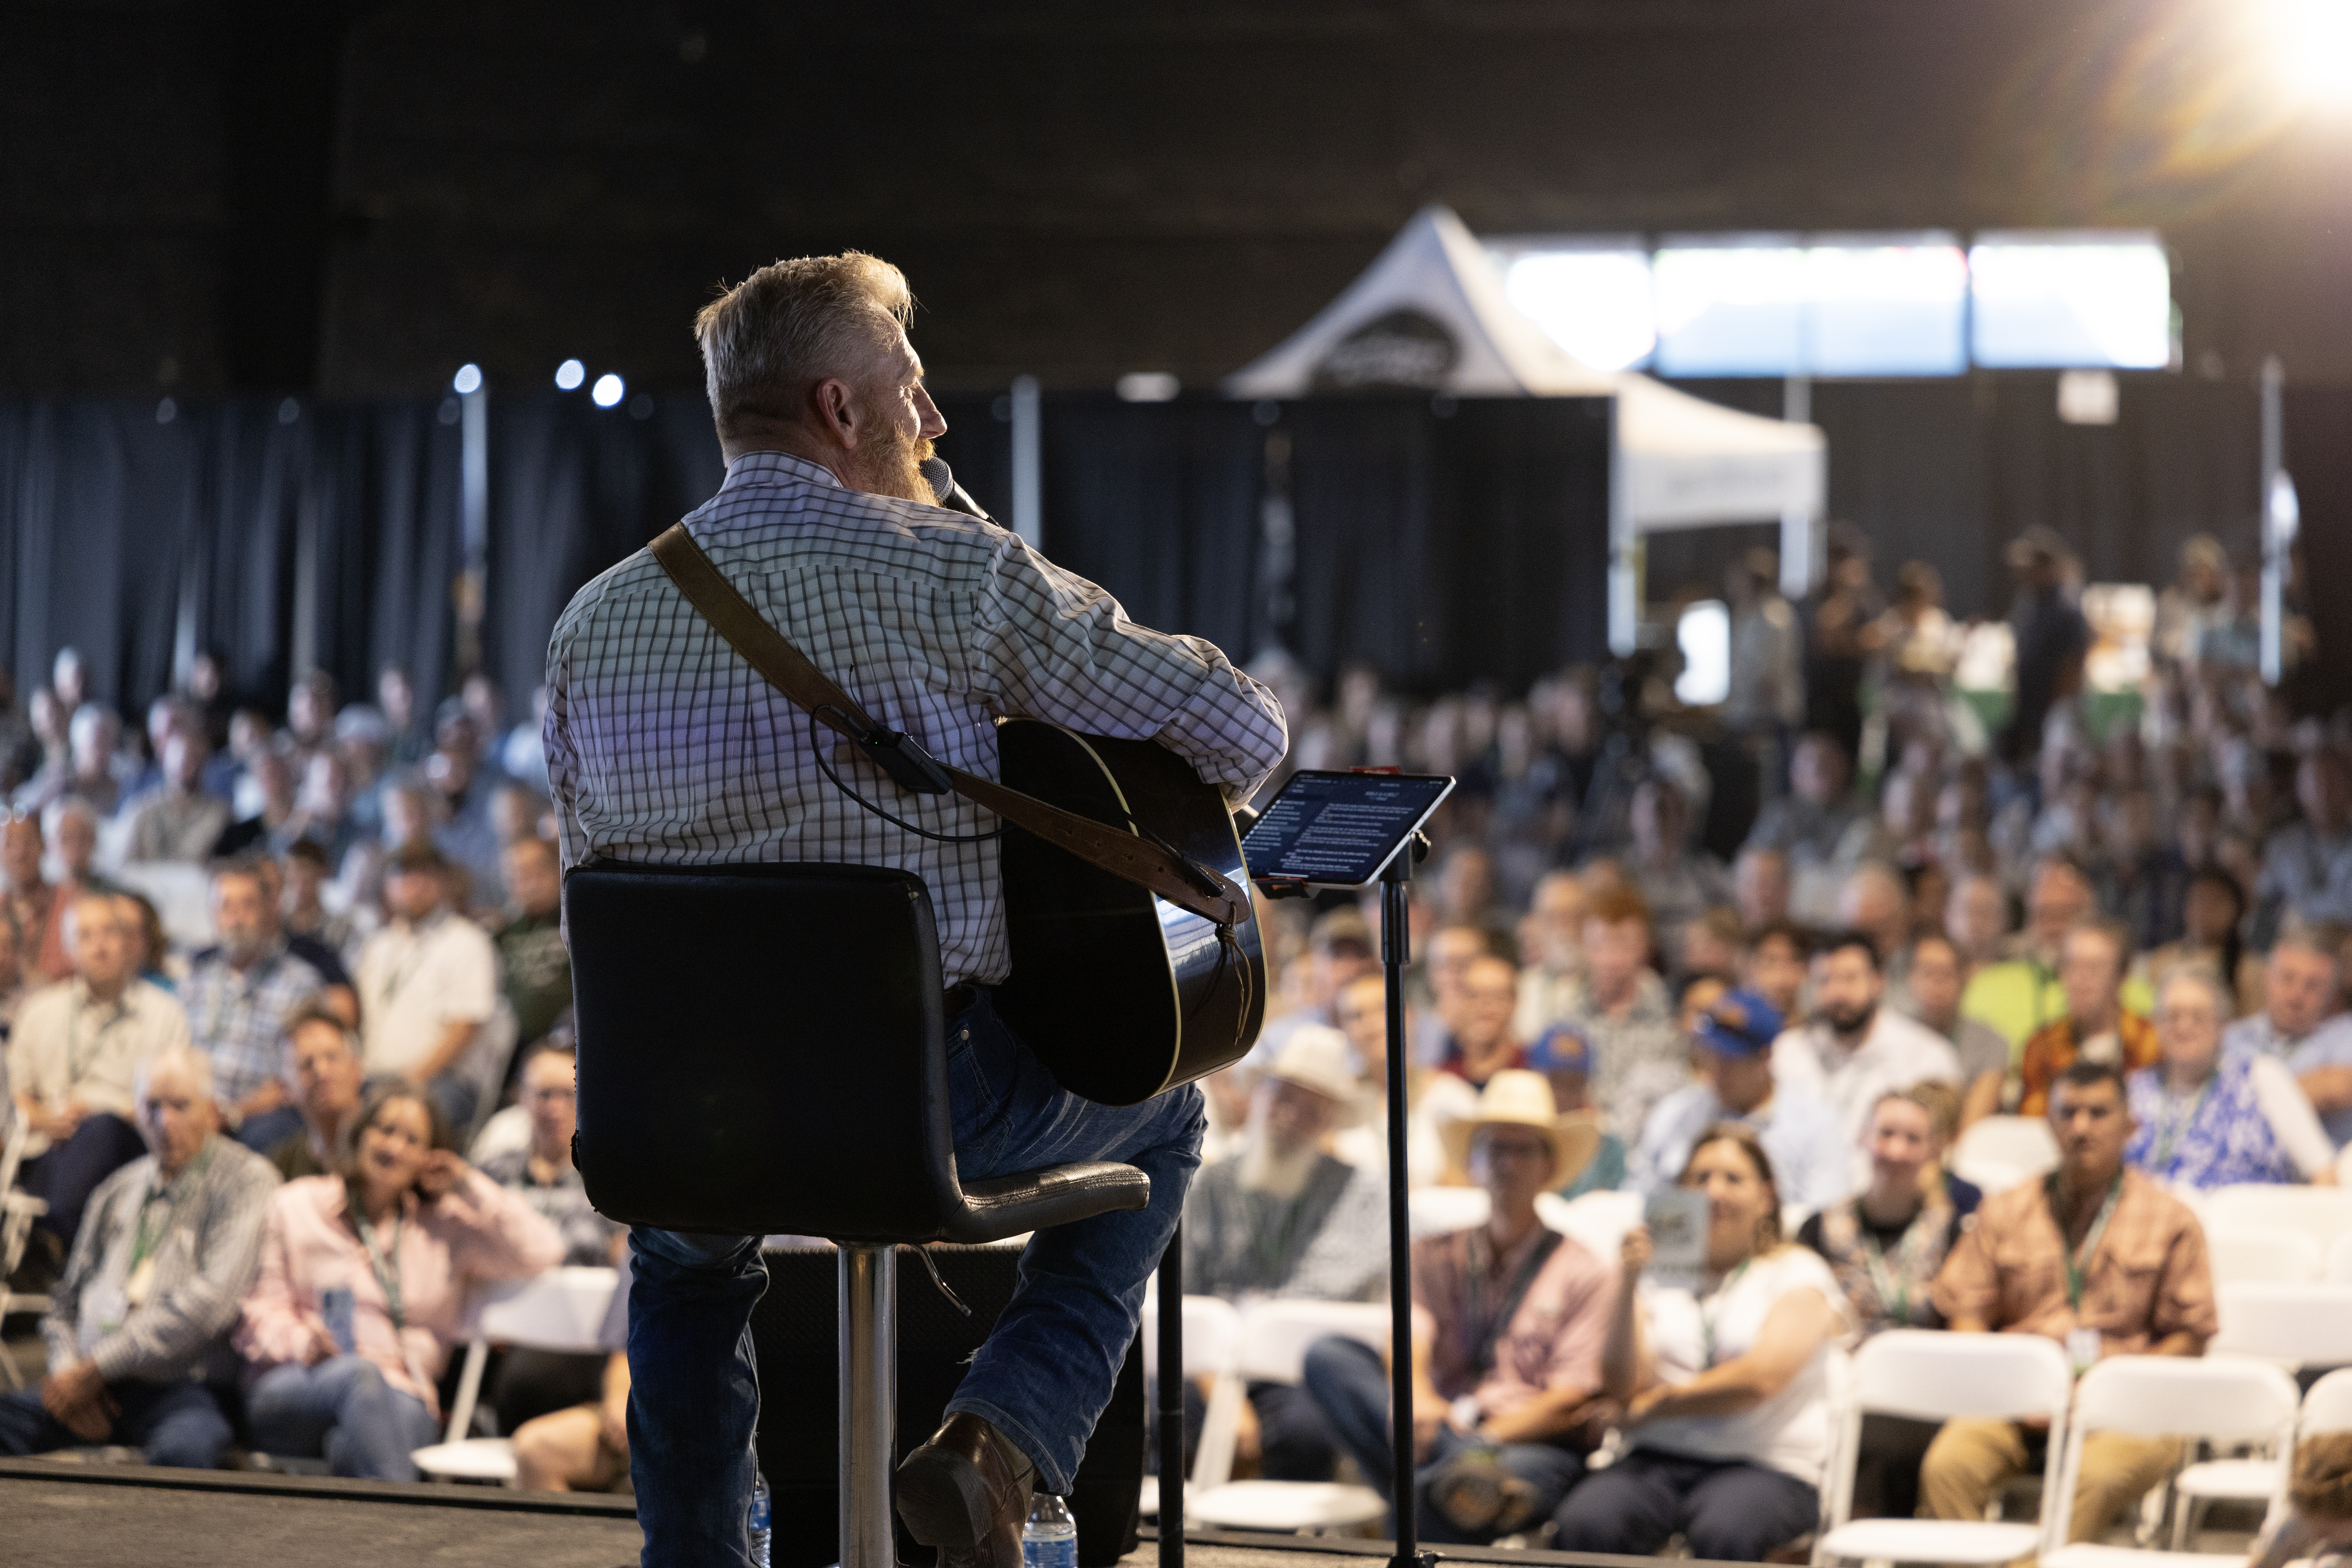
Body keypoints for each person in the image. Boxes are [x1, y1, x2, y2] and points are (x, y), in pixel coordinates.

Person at [542, 252, 1288, 1568]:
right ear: (841, 408)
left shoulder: (592, 622)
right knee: (1171, 1114)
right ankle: (999, 1441)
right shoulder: (944, 570)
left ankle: (700, 1555)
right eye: (914, 388)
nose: (934, 421)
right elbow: (1239, 726)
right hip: (913, 1110)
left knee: (685, 1259)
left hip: (681, 1114)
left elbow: (594, 891)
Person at [1301, 1071, 1610, 1544]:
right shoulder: (1431, 1252)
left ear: (1549, 1167)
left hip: (1525, 1439)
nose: (1507, 1163)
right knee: (1329, 1357)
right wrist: (1420, 1394)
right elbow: (1410, 1332)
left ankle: (1455, 1478)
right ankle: (1465, 1479)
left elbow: (1569, 1399)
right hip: (1435, 1420)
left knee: (1431, 1497)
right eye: (1494, 1149)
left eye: (1523, 1150)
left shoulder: (1584, 1268)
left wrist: (1483, 1442)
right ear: (1473, 1162)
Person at [1922, 1060, 2216, 1545]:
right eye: (2068, 1112)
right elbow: (1967, 1313)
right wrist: (2006, 1385)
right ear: (2049, 1123)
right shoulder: (2006, 1208)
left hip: (2127, 1409)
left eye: (2098, 1113)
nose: (2081, 1127)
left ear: (2130, 1126)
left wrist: (2110, 1393)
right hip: (2016, 1403)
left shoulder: (2172, 1218)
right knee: (1948, 1466)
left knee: (2093, 1479)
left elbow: (2192, 1336)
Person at [233, 1083, 565, 1480]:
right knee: (359, 1376)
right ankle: (407, 1524)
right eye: (385, 1130)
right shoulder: (297, 1205)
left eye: (412, 1139)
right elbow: (258, 1312)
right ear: (360, 1133)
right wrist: (304, 1343)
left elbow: (543, 1250)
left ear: (430, 1155)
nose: (395, 1147)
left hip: (404, 1395)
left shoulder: (444, 1227)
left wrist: (466, 1182)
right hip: (299, 1382)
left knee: (349, 1445)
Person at [1555, 1126, 1850, 1561]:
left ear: (1766, 1196)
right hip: (1656, 1456)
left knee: (1728, 1528)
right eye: (1701, 1178)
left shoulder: (1798, 1272)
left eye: (1734, 1179)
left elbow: (1761, 1378)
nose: (1715, 1191)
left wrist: (1659, 1404)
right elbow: (1621, 1385)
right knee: (1588, 1519)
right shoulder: (1658, 1277)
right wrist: (1628, 1282)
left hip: (1764, 1462)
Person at [0, 1048, 279, 1467]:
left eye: (181, 1105)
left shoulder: (246, 1180)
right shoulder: (117, 1189)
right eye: (151, 1106)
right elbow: (64, 1301)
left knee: (186, 1450)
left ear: (211, 1108)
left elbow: (208, 1307)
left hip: (182, 1389)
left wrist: (97, 1368)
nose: (164, 1122)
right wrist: (67, 1374)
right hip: (90, 1387)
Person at [1181, 1029, 1386, 1481]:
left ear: (1329, 1122)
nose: (1290, 1118)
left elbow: (1324, 1295)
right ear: (1257, 1097)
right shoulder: (1209, 1184)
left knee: (1305, 1431)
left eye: (1312, 1111)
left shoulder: (1361, 1194)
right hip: (1208, 1365)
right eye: (1281, 1099)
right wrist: (1221, 1393)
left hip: (1297, 1369)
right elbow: (1183, 1297)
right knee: (1161, 1413)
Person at [1797, 1087, 1973, 1519]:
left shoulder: (1952, 1233)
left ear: (1935, 1149)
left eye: (1913, 1139)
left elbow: (1965, 1326)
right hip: (1835, 1387)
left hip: (1922, 1395)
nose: (1895, 1150)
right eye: (1886, 1133)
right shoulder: (1820, 1227)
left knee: (1882, 1442)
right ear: (1863, 1137)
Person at [9, 892, 194, 1252]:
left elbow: (176, 1100)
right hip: (50, 1148)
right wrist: (46, 1118)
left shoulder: (166, 1013)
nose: (100, 946)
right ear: (68, 948)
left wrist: (102, 1115)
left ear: (128, 941)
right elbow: (14, 1097)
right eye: (85, 936)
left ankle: (56, 1249)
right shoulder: (39, 1011)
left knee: (104, 1130)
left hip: (131, 1148)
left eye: (109, 933)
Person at [477, 1043, 629, 1437]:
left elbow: (626, 1258)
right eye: (544, 1093)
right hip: (490, 1333)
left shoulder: (609, 1180)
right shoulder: (491, 1175)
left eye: (568, 1093)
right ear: (522, 1097)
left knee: (526, 1379)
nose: (555, 1106)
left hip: (576, 1340)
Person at [1628, 988, 1850, 1216]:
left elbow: (1824, 1216)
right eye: (1710, 1055)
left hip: (1775, 1247)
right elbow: (1636, 1199)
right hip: (1680, 1244)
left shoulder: (1814, 1122)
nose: (1716, 1071)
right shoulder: (1675, 1113)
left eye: (1730, 1061)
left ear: (1765, 1058)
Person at [2126, 967, 2336, 1190]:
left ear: (2222, 1025)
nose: (2184, 1026)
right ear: (2156, 1024)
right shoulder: (2134, 1090)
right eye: (2172, 1016)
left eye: (2198, 1017)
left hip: (2245, 1220)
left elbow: (2324, 1173)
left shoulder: (2261, 1077)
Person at [353, 842, 504, 1135]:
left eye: (425, 874)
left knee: (404, 1120)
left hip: (441, 1081)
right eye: (403, 875)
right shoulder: (377, 946)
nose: (414, 884)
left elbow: (464, 1030)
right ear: (387, 886)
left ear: (443, 883)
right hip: (373, 1076)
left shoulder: (468, 942)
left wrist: (407, 1083)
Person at [1770, 931, 1960, 1158]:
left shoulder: (1928, 1056)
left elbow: (1939, 1151)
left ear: (1879, 982)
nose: (1837, 993)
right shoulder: (1789, 1050)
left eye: (1850, 979)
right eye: (1824, 981)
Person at [180, 862, 324, 1150]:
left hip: (258, 1117)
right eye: (226, 907)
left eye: (248, 906)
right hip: (194, 1111)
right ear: (213, 915)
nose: (237, 918)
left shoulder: (301, 984)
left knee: (274, 1132)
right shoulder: (194, 981)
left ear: (270, 911)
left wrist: (233, 1113)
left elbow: (295, 1078)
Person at [1555, 885, 1686, 1145]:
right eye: (1599, 945)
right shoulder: (1565, 1020)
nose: (1610, 960)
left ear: (1645, 948)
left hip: (1647, 1147)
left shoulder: (1671, 1020)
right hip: (1579, 1145)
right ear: (1583, 946)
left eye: (1624, 946)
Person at [2225, 923, 2352, 1147]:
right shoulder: (2233, 1036)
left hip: (2317, 1176)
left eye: (2312, 986)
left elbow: (2336, 1089)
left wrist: (2235, 1099)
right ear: (2268, 978)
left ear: (2331, 994)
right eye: (2287, 978)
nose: (2296, 995)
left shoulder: (2344, 1034)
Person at [2016, 919, 2158, 1116]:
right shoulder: (2041, 1046)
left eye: (2094, 968)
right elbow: (2034, 1125)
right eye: (2072, 966)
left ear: (2122, 977)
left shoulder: (2152, 1042)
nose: (2079, 980)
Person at [1962, 855, 2094, 1053]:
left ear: (2088, 916)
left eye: (2062, 914)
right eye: (2042, 914)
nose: (2052, 927)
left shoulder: (2113, 985)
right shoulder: (1987, 981)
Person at [1907, 932, 2011, 1127]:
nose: (1936, 985)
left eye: (1946, 974)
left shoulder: (1991, 1043)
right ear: (1911, 978)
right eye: (1928, 973)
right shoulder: (1894, 1034)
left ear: (1965, 980)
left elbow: (1973, 1123)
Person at [263, 1007, 370, 1180]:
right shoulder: (277, 1171)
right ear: (285, 1088)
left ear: (356, 1068)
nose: (321, 1072)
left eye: (332, 1057)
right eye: (306, 1065)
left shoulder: (389, 1148)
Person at [494, 837, 573, 1065]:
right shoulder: (503, 934)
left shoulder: (577, 920)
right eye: (517, 876)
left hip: (578, 1043)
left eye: (535, 871)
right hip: (521, 1052)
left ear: (557, 869)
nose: (528, 883)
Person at [2258, 749, 2352, 933]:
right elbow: (2266, 906)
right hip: (2293, 949)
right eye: (2314, 784)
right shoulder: (2281, 846)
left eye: (2332, 783)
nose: (2324, 793)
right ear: (2299, 791)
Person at [122, 732, 230, 865]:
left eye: (195, 758)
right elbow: (125, 864)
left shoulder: (220, 815)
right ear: (165, 760)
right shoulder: (140, 809)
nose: (189, 766)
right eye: (182, 758)